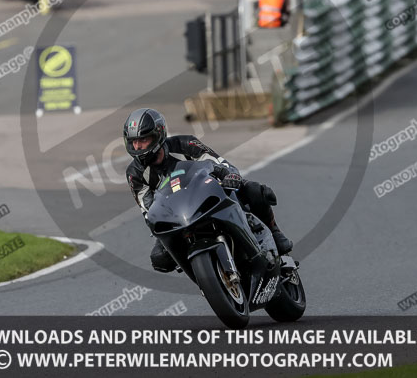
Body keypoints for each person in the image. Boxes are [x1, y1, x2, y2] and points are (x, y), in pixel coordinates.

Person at [123, 108, 293, 273]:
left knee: (255, 191)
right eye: (133, 142)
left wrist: (230, 175)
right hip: (176, 215)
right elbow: (148, 210)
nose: (137, 146)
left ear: (158, 135)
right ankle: (204, 279)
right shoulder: (134, 173)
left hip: (208, 193)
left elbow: (218, 162)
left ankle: (274, 231)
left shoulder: (185, 144)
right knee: (159, 258)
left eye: (143, 140)